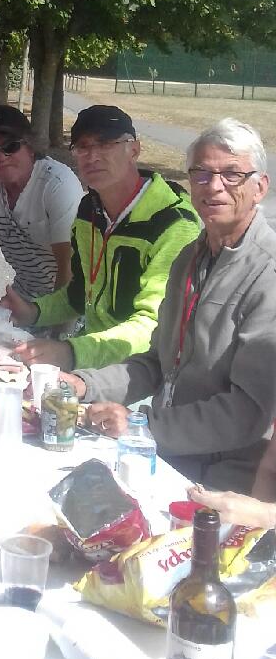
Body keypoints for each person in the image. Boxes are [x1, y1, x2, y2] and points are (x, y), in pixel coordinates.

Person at [68, 119, 276, 492]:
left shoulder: (268, 275)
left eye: (232, 175)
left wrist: (142, 426)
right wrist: (83, 385)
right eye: (201, 174)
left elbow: (247, 413)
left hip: (226, 481)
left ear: (260, 186)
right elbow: (157, 364)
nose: (214, 187)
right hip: (166, 454)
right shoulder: (189, 259)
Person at [6, 104, 200, 370]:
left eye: (106, 143)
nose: (92, 156)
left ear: (134, 149)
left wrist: (71, 352)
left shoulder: (173, 224)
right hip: (93, 361)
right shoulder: (89, 210)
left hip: (142, 372)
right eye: (83, 147)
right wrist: (33, 312)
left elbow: (153, 326)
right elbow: (77, 296)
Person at [0, 105, 84, 311]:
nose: (1, 157)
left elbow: (68, 268)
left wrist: (56, 335)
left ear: (31, 147)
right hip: (26, 295)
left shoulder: (58, 184)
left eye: (11, 146)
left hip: (74, 301)